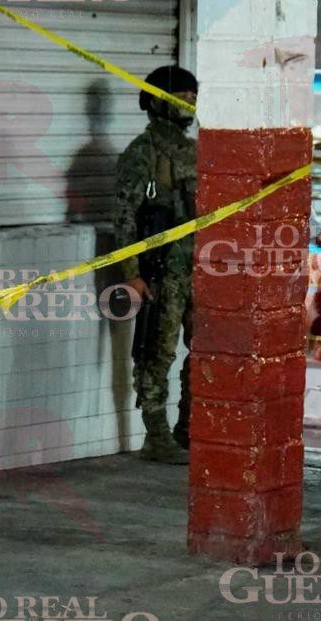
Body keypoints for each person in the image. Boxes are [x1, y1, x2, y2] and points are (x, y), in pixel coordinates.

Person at [112, 66, 199, 464]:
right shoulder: (141, 152)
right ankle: (157, 434)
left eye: (192, 96)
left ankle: (189, 427)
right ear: (157, 102)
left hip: (198, 264)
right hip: (161, 268)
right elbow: (126, 216)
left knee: (202, 350)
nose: (190, 104)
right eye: (181, 96)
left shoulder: (196, 150)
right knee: (156, 352)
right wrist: (131, 274)